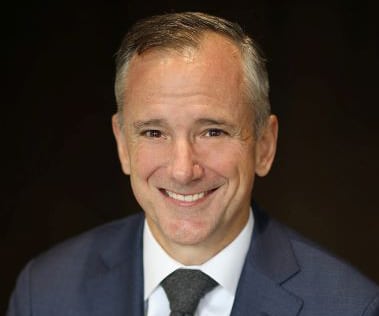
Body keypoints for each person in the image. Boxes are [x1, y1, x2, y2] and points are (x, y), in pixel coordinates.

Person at [7, 12, 379, 316]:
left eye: (213, 132)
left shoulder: (349, 306)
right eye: (154, 133)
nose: (183, 170)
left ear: (264, 146)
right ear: (123, 144)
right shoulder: (43, 292)